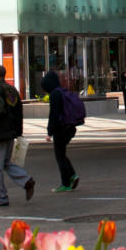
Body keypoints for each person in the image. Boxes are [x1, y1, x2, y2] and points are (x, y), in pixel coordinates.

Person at [0, 65, 35, 206]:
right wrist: (18, 132)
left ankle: (1, 197)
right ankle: (25, 180)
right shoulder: (12, 89)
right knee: (6, 162)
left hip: (0, 132)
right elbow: (18, 111)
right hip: (11, 132)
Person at [42, 64, 80, 192]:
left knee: (59, 156)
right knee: (62, 154)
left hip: (60, 129)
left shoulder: (54, 95)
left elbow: (53, 115)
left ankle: (66, 183)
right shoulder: (62, 91)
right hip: (69, 127)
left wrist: (49, 132)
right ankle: (72, 176)